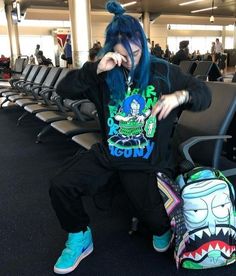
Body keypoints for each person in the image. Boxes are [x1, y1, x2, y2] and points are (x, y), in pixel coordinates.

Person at [49, 1, 211, 274]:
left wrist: (179, 96)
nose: (132, 57)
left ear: (143, 44)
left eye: (136, 48)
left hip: (147, 161)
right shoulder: (104, 73)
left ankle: (160, 226)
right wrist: (96, 68)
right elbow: (64, 88)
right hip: (112, 154)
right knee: (61, 185)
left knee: (158, 225)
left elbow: (203, 95)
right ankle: (79, 236)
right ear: (113, 47)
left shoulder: (163, 72)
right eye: (124, 50)